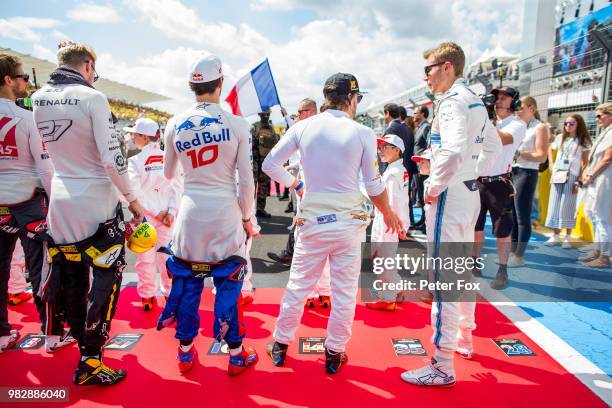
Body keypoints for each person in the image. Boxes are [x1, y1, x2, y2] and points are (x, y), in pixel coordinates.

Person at [263, 72, 405, 374]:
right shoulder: (362, 133)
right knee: (342, 292)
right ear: (351, 98)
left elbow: (269, 164)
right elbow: (374, 185)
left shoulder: (303, 127)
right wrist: (389, 212)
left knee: (298, 287)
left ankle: (280, 345)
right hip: (347, 224)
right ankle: (334, 352)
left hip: (313, 221)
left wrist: (297, 185)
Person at [32, 41, 144, 385]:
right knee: (107, 280)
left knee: (72, 278)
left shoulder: (36, 98)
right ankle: (91, 361)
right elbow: (113, 158)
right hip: (95, 197)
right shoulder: (94, 98)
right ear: (88, 66)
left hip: (61, 197)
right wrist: (133, 200)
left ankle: (81, 344)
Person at [401, 42, 501, 387]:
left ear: (446, 67)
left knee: (445, 277)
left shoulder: (452, 101)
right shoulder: (473, 99)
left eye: (428, 70)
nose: (425, 77)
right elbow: (492, 148)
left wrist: (436, 184)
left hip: (450, 195)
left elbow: (456, 147)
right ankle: (464, 337)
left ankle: (442, 364)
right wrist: (470, 174)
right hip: (467, 192)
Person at [159, 54, 258, 376]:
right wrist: (248, 218)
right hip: (225, 211)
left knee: (188, 285)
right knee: (228, 285)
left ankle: (185, 352)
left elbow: (169, 173)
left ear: (192, 86)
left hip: (191, 211)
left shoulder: (175, 123)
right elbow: (246, 179)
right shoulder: (238, 124)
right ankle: (236, 354)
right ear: (220, 84)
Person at [0, 53, 67, 354]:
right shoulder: (27, 117)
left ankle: (2, 334)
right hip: (29, 203)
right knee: (41, 269)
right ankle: (52, 335)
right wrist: (57, 205)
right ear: (7, 80)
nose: (26, 81)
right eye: (23, 77)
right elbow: (45, 168)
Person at [472, 86, 526, 289]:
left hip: (499, 183)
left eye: (504, 97)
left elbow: (502, 140)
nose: (499, 100)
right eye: (496, 97)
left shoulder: (517, 125)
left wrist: (483, 120)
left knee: (502, 230)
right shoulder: (490, 123)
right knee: (475, 226)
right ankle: (475, 262)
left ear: (514, 101)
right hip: (479, 180)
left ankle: (503, 270)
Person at [125, 117, 178, 310]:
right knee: (167, 256)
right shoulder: (170, 158)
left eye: (135, 134)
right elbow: (178, 187)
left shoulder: (135, 161)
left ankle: (147, 296)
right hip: (168, 218)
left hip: (146, 216)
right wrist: (170, 211)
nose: (132, 137)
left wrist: (157, 212)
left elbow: (134, 192)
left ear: (144, 137)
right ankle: (171, 293)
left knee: (145, 258)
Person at [267, 98, 318, 265]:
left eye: (300, 112)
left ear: (310, 112)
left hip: (312, 187)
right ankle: (292, 253)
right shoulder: (304, 129)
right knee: (300, 219)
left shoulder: (316, 131)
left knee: (303, 220)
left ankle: (295, 255)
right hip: (303, 183)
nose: (298, 115)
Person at [365, 134, 410, 311]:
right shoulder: (398, 169)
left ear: (397, 150)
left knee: (383, 261)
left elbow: (390, 203)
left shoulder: (393, 173)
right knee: (386, 259)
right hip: (391, 220)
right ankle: (395, 291)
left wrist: (394, 223)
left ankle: (388, 297)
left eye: (385, 147)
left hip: (387, 221)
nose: (380, 150)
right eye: (380, 147)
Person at [508, 96, 549, 266]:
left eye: (521, 106)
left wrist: (519, 152)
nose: (517, 109)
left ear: (531, 108)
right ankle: (511, 252)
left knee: (522, 216)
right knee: (512, 214)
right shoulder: (518, 126)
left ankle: (519, 255)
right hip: (514, 171)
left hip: (527, 173)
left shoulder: (540, 127)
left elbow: (541, 156)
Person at [545, 114, 591, 247]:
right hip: (558, 174)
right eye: (566, 123)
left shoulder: (583, 141)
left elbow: (585, 163)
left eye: (571, 123)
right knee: (554, 205)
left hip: (572, 175)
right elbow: (550, 147)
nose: (568, 126)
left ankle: (568, 237)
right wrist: (551, 163)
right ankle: (555, 235)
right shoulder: (561, 138)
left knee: (568, 206)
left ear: (578, 124)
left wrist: (579, 181)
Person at [579, 102, 612, 268]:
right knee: (593, 213)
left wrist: (591, 174)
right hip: (596, 178)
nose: (597, 119)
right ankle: (598, 250)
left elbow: (607, 158)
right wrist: (587, 172)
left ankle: (605, 256)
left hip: (604, 180)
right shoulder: (605, 132)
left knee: (603, 217)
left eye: (601, 115)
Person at [252, 109, 280, 218]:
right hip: (255, 161)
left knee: (264, 186)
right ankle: (248, 210)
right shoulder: (254, 127)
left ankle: (260, 209)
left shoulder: (272, 129)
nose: (266, 116)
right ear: (259, 114)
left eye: (268, 114)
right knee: (252, 187)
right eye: (264, 114)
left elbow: (275, 145)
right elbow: (250, 144)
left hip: (266, 162)